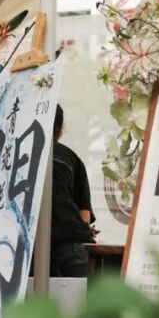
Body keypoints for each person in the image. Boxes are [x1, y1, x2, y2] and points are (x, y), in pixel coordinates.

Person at [50, 105, 95, 277]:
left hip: (26, 249)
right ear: (59, 131)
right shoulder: (72, 158)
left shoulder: (11, 153)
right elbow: (85, 217)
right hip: (73, 248)